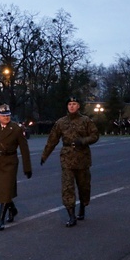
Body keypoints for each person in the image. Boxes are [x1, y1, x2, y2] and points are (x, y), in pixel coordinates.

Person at [40, 96, 99, 227]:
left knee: (84, 186)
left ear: (78, 106)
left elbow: (95, 135)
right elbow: (52, 140)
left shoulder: (86, 121)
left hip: (82, 158)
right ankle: (71, 215)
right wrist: (45, 156)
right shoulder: (61, 122)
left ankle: (82, 206)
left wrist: (83, 141)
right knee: (67, 187)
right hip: (67, 158)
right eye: (69, 104)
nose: (71, 106)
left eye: (74, 104)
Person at [0, 104, 32, 231]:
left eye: (8, 115)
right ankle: (12, 209)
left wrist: (27, 168)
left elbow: (24, 149)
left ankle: (0, 219)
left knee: (6, 188)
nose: (6, 118)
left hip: (10, 162)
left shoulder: (16, 129)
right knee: (0, 190)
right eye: (3, 116)